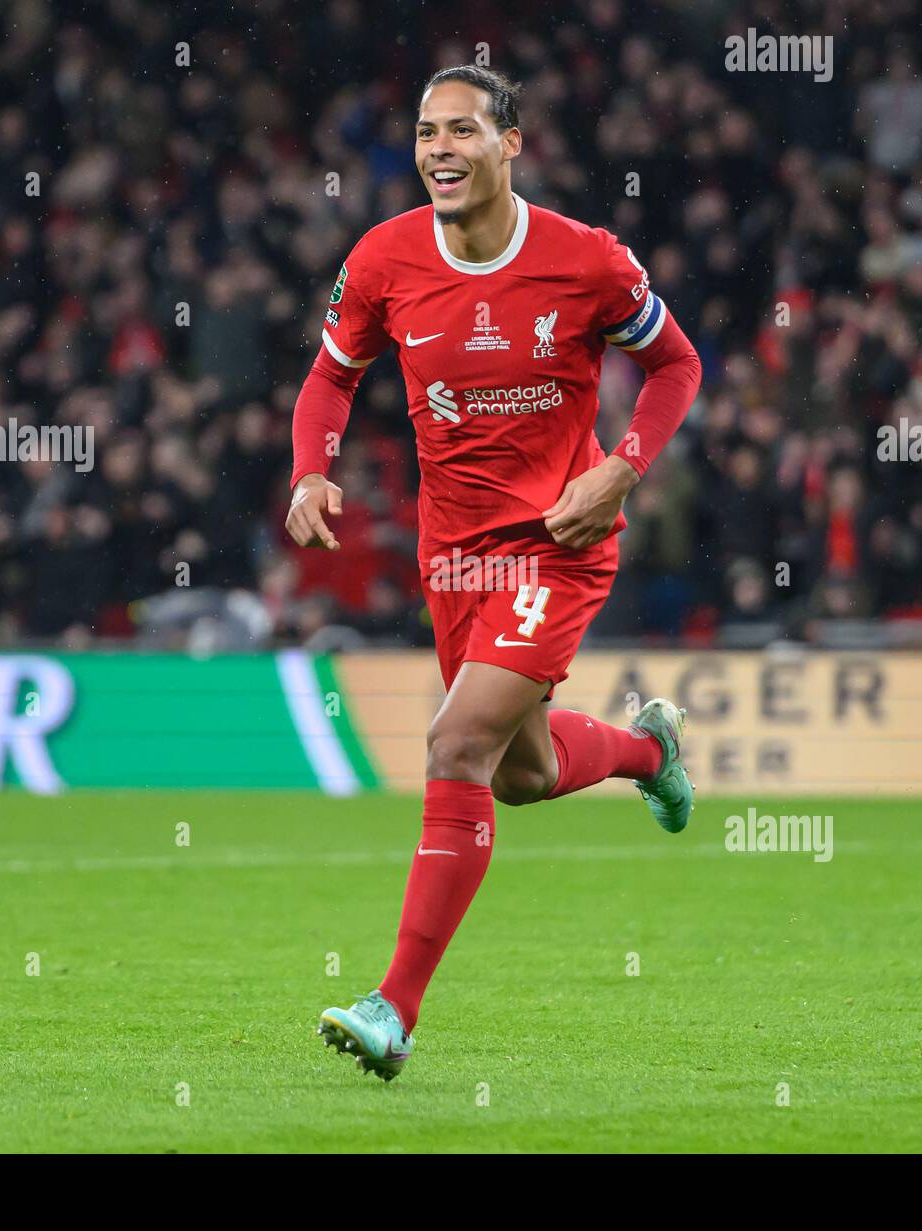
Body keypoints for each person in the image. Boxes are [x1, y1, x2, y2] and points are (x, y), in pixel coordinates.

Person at [287, 67, 701, 1078]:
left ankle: (394, 1007)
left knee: (455, 742)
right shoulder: (384, 257)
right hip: (452, 557)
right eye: (427, 131)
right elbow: (330, 375)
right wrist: (310, 470)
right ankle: (648, 752)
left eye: (462, 130)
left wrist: (620, 470)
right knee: (515, 773)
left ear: (511, 143)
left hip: (557, 545)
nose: (440, 148)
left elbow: (676, 366)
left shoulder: (587, 262)